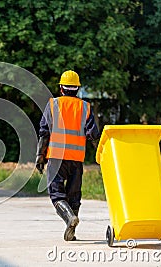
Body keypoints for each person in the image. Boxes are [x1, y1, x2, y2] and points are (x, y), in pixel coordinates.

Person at [35, 70, 100, 241]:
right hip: (76, 159)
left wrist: (40, 156)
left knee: (56, 194)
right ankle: (72, 231)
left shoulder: (53, 104)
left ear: (61, 88)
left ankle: (70, 219)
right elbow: (93, 134)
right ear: (77, 89)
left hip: (56, 157)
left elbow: (44, 133)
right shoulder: (85, 107)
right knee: (74, 195)